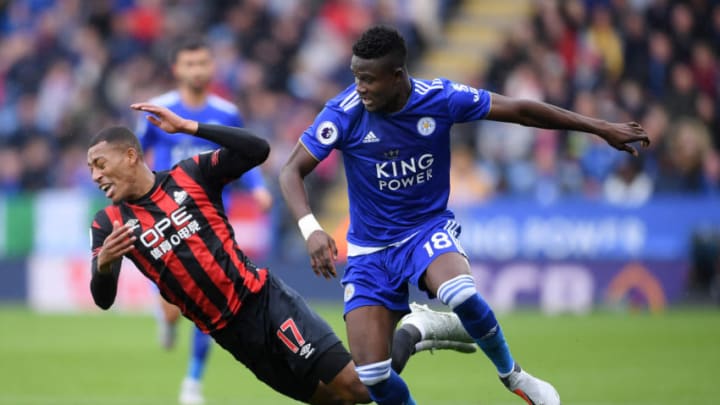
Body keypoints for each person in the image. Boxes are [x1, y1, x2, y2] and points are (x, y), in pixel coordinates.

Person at [279, 25, 650, 405]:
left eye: (369, 80)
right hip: (370, 250)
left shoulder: (439, 98)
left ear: (397, 75)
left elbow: (521, 110)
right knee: (372, 379)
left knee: (460, 292)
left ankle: (515, 377)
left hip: (424, 229)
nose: (360, 87)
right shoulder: (344, 113)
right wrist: (311, 229)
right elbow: (291, 170)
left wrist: (601, 128)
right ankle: (420, 329)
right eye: (356, 77)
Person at [88, 103, 475, 405]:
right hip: (233, 336)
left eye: (101, 164)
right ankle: (410, 335)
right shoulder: (107, 224)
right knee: (335, 401)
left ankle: (415, 329)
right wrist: (105, 265)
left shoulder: (190, 176)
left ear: (131, 156)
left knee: (356, 387)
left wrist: (190, 127)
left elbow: (258, 150)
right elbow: (102, 300)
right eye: (90, 169)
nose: (95, 176)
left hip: (264, 302)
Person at [134, 37, 273, 405]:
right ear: (177, 69)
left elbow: (242, 150)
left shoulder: (226, 112)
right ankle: (165, 319)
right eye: (189, 64)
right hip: (166, 216)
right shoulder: (160, 109)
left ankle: (193, 381)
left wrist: (257, 186)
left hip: (211, 220)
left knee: (211, 298)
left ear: (211, 67)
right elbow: (135, 154)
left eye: (203, 64)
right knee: (174, 307)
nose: (197, 70)